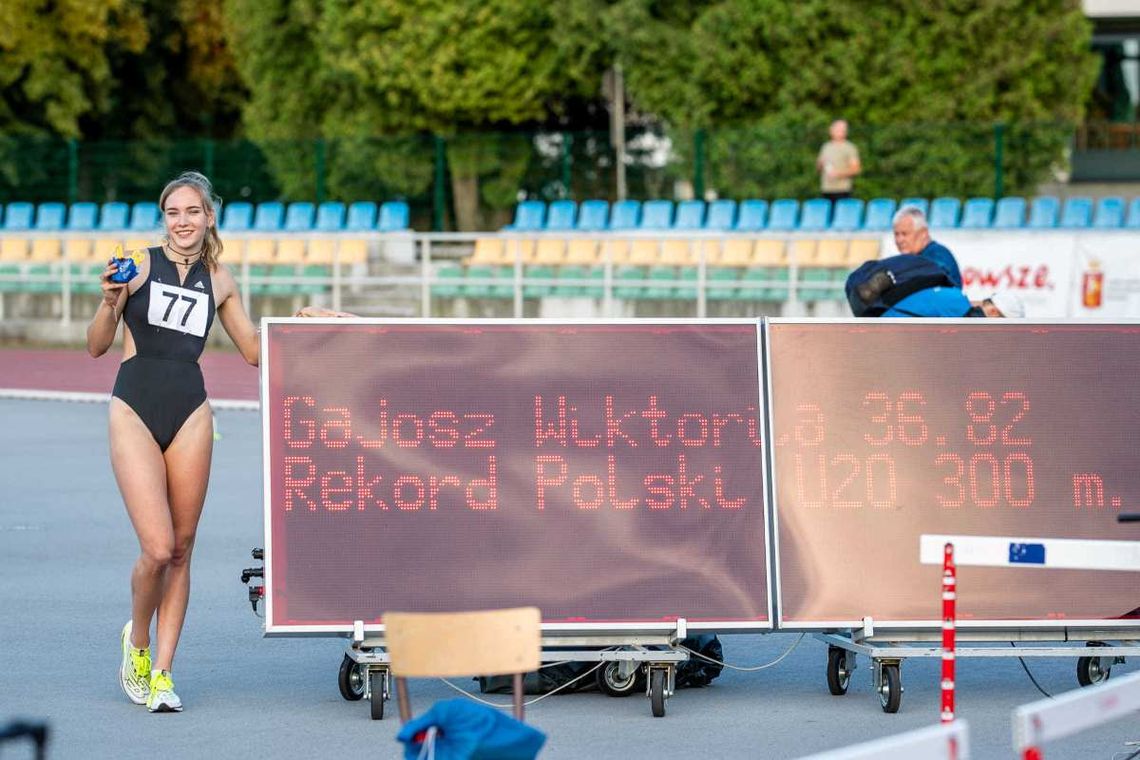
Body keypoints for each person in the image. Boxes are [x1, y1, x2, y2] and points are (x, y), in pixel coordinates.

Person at [86, 172, 348, 713]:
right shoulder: (135, 264)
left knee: (181, 550)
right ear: (165, 218)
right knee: (156, 548)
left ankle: (162, 673)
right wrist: (110, 301)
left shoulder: (221, 279)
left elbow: (254, 351)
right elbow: (95, 347)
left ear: (209, 217)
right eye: (172, 212)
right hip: (133, 404)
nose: (182, 221)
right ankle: (136, 643)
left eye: (192, 212)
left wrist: (298, 323)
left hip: (191, 411)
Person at [892, 205, 962, 288]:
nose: (899, 240)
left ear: (923, 233)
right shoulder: (911, 258)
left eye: (905, 234)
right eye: (896, 234)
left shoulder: (938, 255)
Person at [816, 119, 861, 202]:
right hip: (826, 189)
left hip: (842, 190)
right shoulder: (826, 146)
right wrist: (820, 164)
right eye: (836, 129)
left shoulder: (849, 147)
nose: (839, 132)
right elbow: (819, 168)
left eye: (841, 130)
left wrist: (838, 174)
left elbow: (856, 169)